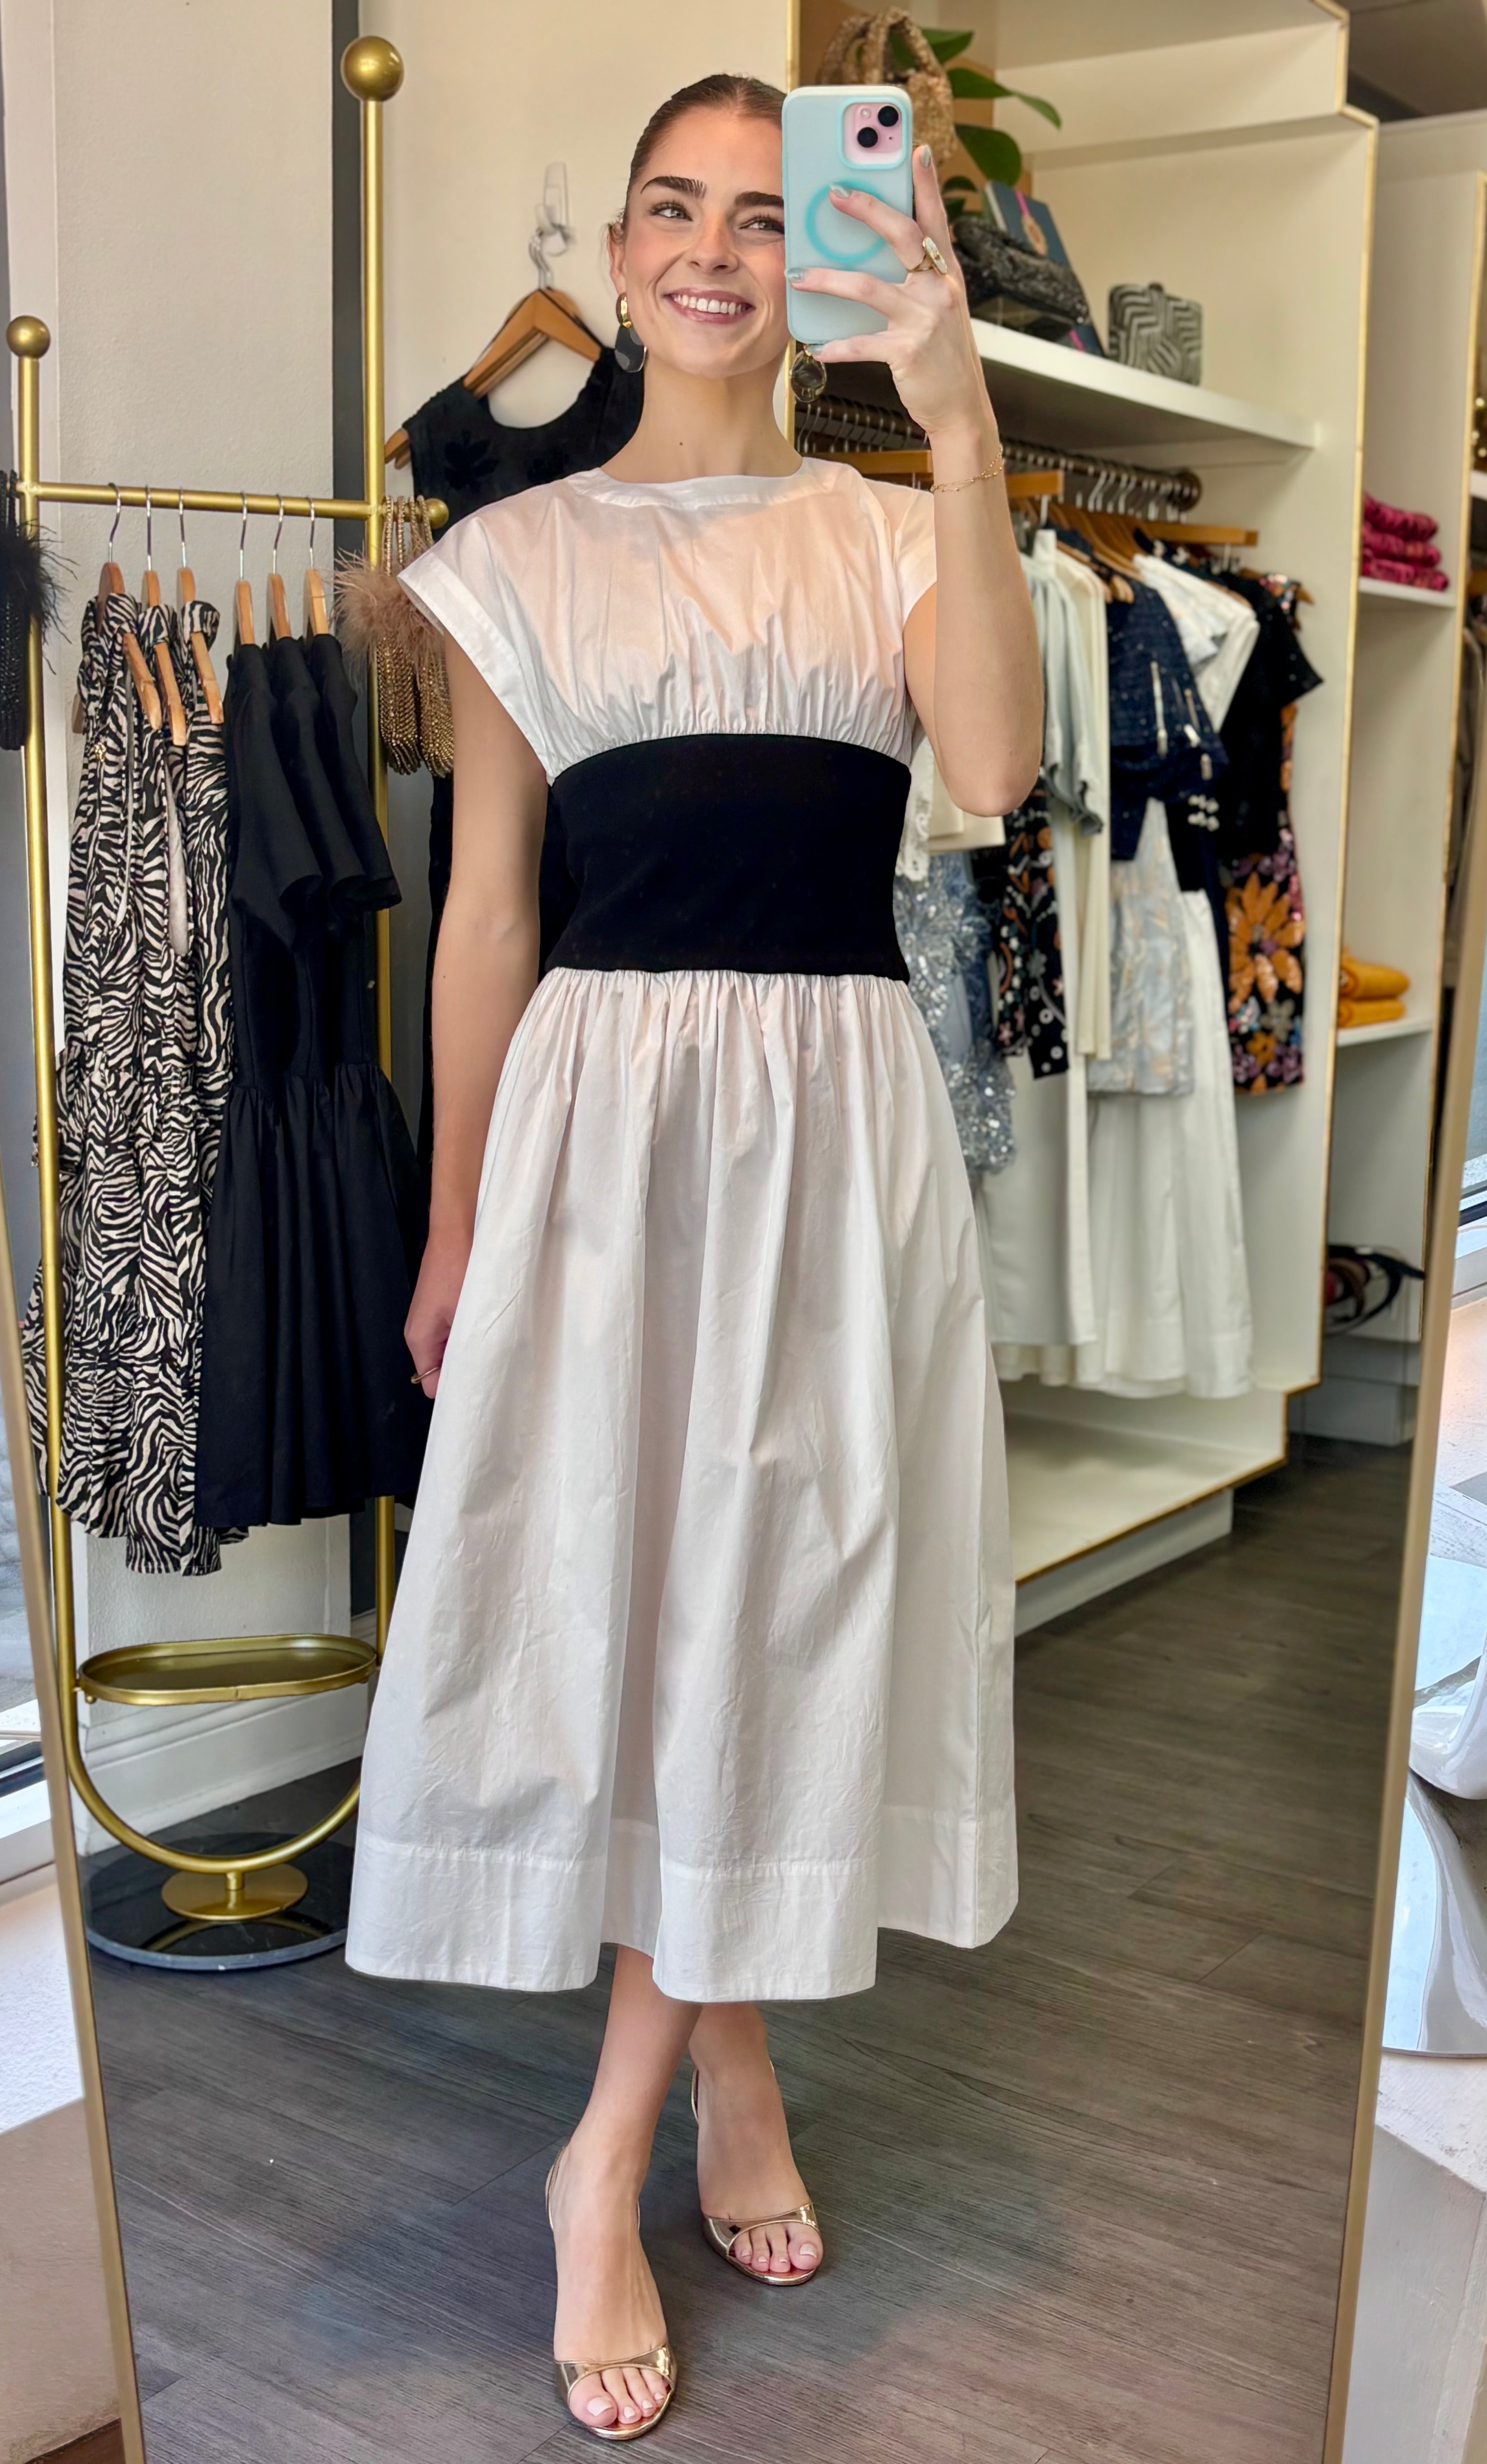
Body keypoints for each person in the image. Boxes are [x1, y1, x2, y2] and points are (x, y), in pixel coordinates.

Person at [344, 70, 1041, 2443]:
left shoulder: (889, 522)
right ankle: (693, 2096)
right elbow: (488, 923)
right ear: (621, 250)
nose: (719, 248)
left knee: (772, 1598)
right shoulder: (518, 556)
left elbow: (991, 775)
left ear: (823, 249)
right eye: (675, 206)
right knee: (654, 1605)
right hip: (605, 1134)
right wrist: (455, 1223)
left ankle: (629, 2127)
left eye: (767, 210)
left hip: (830, 1134)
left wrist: (960, 425)